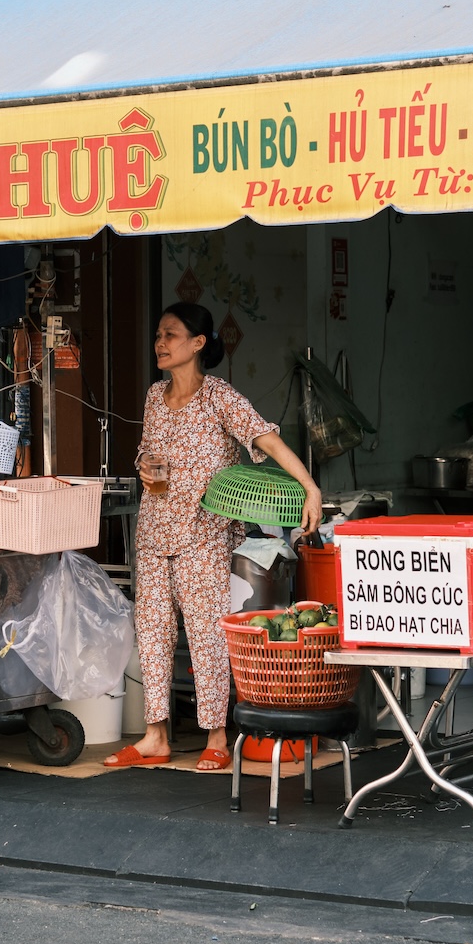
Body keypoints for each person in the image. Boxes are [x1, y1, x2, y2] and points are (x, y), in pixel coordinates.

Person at [105, 303, 321, 771]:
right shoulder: (154, 395)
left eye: (170, 334)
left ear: (198, 343)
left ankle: (217, 736)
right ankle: (155, 736)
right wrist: (145, 468)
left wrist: (310, 488)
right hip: (154, 532)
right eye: (158, 335)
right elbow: (147, 452)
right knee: (153, 634)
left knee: (206, 636)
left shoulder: (219, 397)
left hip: (203, 535)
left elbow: (266, 439)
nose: (160, 343)